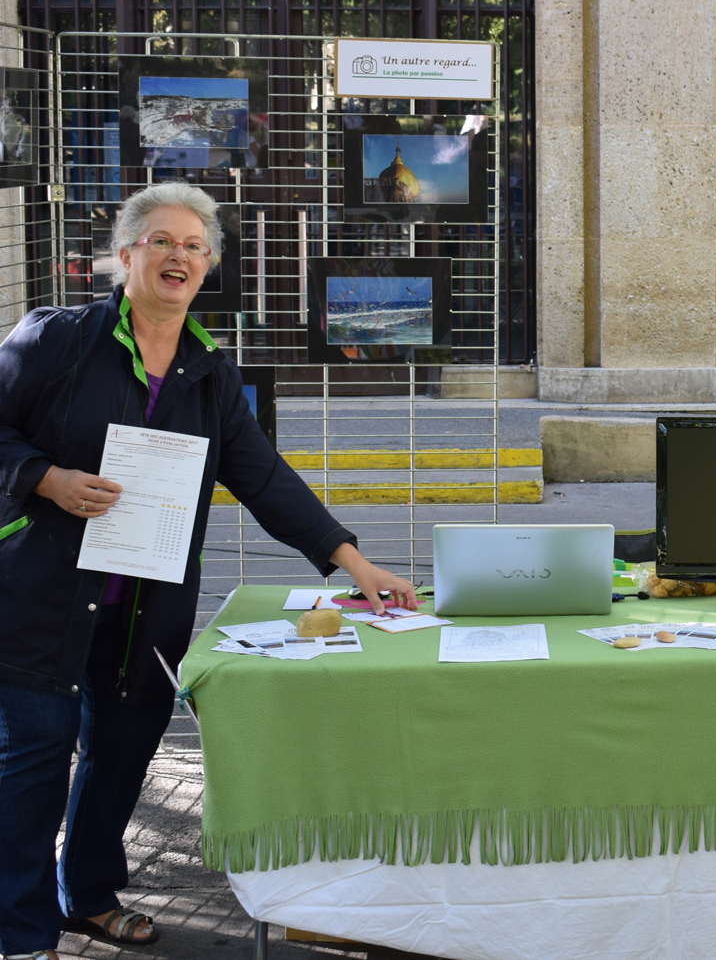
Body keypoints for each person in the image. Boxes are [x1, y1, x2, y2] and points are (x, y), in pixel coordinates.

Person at [0, 182, 418, 960]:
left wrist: (354, 562)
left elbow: (264, 477)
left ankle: (86, 895)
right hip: (42, 595)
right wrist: (44, 478)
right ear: (123, 255)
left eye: (194, 246)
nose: (178, 255)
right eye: (161, 240)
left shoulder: (209, 373)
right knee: (33, 762)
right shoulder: (54, 340)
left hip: (142, 610)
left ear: (209, 266)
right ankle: (21, 935)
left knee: (121, 751)